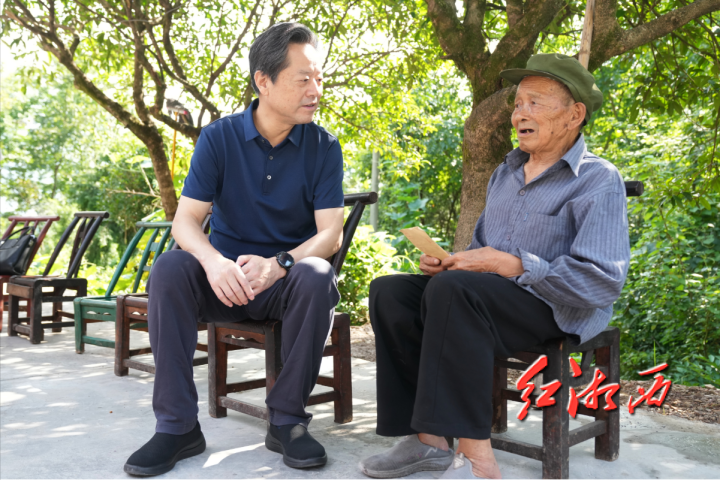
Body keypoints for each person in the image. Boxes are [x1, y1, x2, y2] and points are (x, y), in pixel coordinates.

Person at [359, 53, 630, 479]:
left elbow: (603, 282)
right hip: (489, 301)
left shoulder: (599, 179)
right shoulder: (505, 172)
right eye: (518, 104)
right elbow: (481, 252)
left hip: (555, 306)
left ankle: (477, 454)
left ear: (574, 114)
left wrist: (516, 265)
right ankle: (427, 440)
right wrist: (452, 263)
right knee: (390, 292)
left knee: (455, 293)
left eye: (535, 103)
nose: (520, 114)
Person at [124, 23, 345, 476]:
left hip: (282, 283)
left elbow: (331, 235)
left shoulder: (324, 147)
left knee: (318, 274)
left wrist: (280, 264)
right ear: (264, 81)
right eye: (303, 79)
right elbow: (185, 221)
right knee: (169, 268)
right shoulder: (218, 138)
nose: (315, 90)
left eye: (319, 78)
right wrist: (213, 262)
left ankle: (287, 421)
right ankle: (177, 427)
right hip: (222, 282)